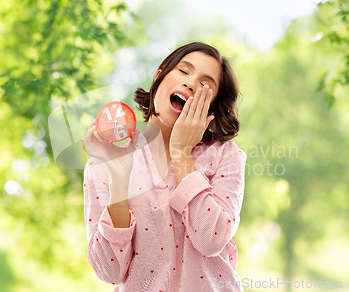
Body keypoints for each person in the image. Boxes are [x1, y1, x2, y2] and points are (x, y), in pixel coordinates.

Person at [82, 42, 247, 291]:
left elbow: (211, 239)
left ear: (211, 107)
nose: (191, 83)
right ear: (159, 77)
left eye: (205, 85)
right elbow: (110, 271)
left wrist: (182, 154)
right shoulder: (105, 162)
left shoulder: (226, 156)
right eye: (184, 71)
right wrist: (119, 180)